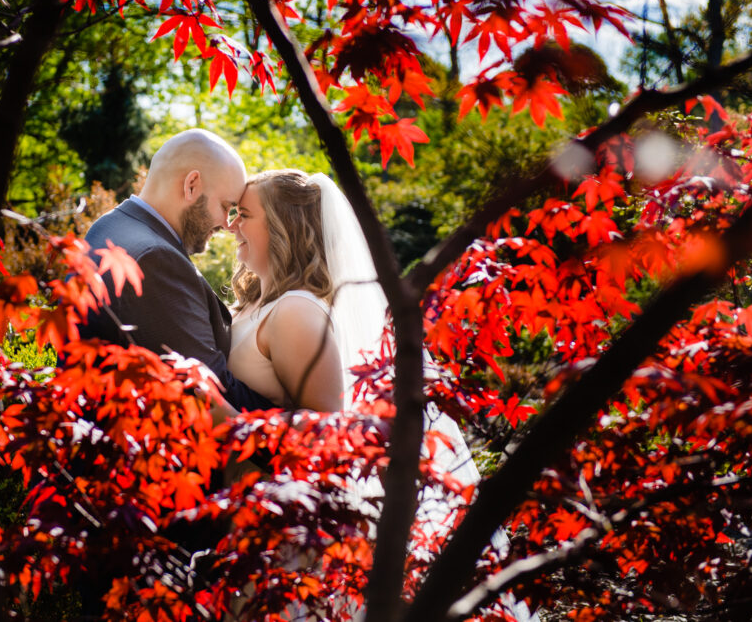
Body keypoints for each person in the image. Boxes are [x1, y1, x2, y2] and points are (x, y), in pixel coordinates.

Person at [226, 169, 533, 621]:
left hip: (288, 527)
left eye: (244, 215)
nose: (231, 224)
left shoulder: (296, 312)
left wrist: (223, 419)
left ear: (283, 226)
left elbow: (327, 442)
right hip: (250, 511)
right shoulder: (259, 303)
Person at [80, 128, 276, 412]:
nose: (227, 224)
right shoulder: (155, 259)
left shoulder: (109, 224)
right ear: (192, 185)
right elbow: (213, 390)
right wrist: (302, 423)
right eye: (226, 206)